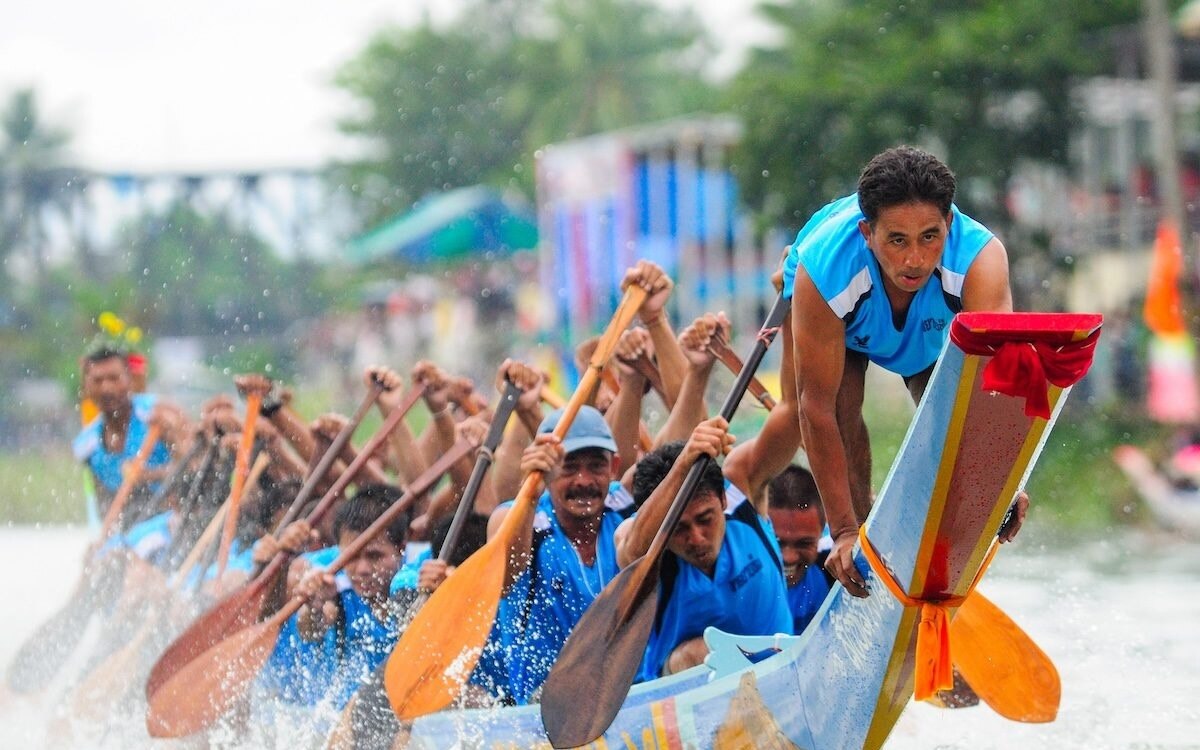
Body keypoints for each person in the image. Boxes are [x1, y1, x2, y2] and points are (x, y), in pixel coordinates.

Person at [780, 145, 1026, 596]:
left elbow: (995, 393)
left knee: (948, 421)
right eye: (897, 240)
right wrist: (843, 531)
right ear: (868, 233)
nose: (914, 260)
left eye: (929, 237)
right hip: (842, 321)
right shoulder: (824, 267)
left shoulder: (981, 260)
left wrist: (1004, 483)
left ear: (949, 226)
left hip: (932, 335)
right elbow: (813, 411)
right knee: (835, 412)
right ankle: (858, 534)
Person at [476, 405, 634, 704]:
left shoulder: (627, 506)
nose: (583, 481)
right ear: (545, 474)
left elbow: (670, 463)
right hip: (546, 702)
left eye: (596, 466)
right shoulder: (514, 519)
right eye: (569, 466)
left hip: (628, 693)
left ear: (614, 467)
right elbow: (504, 581)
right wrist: (530, 491)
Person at [619, 419, 792, 680]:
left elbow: (793, 411)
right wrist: (684, 462)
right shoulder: (641, 539)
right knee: (702, 652)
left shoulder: (744, 488)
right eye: (680, 529)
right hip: (687, 692)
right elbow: (631, 554)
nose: (697, 538)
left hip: (781, 670)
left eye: (705, 519)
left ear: (722, 499)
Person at [72, 346, 184, 528]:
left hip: (175, 520)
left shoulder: (160, 414)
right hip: (131, 530)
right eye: (97, 381)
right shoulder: (87, 446)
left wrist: (149, 475)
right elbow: (105, 507)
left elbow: (196, 468)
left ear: (130, 380)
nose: (106, 388)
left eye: (114, 379)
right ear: (86, 388)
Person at [766, 465, 832, 634]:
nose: (788, 557)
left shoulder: (834, 560)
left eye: (804, 543)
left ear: (821, 531)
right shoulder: (729, 575)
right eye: (777, 542)